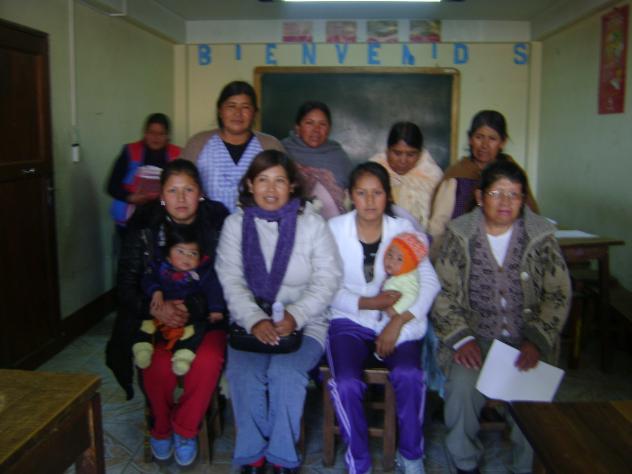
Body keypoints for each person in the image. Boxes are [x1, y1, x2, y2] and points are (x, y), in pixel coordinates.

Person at [430, 160, 571, 474]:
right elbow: (443, 292)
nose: (506, 202)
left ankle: (526, 466)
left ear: (523, 200)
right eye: (496, 193)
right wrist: (462, 339)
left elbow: (558, 294)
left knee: (534, 403)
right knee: (461, 389)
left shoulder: (540, 236)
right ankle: (465, 461)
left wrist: (536, 340)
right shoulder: (460, 233)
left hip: (526, 338)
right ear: (480, 196)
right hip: (474, 336)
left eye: (514, 194)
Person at [215, 150, 342, 473]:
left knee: (284, 374)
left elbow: (328, 279)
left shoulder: (312, 224)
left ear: (292, 186)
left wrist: (296, 315)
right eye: (263, 180)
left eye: (279, 181)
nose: (271, 189)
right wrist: (255, 319)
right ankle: (252, 454)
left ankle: (282, 456)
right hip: (249, 324)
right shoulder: (234, 225)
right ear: (250, 184)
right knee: (244, 374)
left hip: (306, 322)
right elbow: (230, 280)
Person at [105, 159, 229, 467]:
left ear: (201, 193)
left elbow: (231, 280)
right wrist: (156, 308)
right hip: (154, 317)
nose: (181, 198)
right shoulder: (145, 223)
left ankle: (185, 429)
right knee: (156, 364)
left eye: (189, 190)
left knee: (207, 361)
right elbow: (126, 283)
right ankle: (160, 427)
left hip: (205, 317)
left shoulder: (217, 221)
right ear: (162, 196)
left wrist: (193, 307)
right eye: (173, 191)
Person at [326, 162, 441, 474]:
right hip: (348, 321)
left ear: (388, 196)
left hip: (396, 323)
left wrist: (398, 320)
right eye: (361, 193)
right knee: (347, 383)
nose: (369, 201)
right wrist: (368, 302)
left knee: (410, 375)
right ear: (350, 195)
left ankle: (411, 454)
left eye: (377, 193)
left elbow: (430, 283)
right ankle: (359, 460)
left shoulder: (402, 230)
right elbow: (326, 287)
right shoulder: (334, 229)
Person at [428, 110, 539, 248]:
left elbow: (531, 219)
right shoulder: (457, 176)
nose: (484, 145)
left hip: (510, 248)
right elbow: (438, 224)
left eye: (492, 139)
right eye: (479, 137)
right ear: (470, 139)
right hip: (461, 248)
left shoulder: (514, 176)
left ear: (502, 142)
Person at [132, 223, 225, 376]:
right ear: (168, 256)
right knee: (145, 325)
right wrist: (156, 291)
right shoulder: (160, 267)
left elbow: (213, 288)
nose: (186, 257)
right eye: (180, 251)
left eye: (193, 253)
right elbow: (147, 279)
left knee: (197, 329)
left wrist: (216, 309)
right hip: (159, 313)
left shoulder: (201, 272)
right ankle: (143, 348)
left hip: (189, 316)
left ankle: (183, 355)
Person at [181, 80, 284, 213]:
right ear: (220, 110)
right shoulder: (198, 143)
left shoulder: (270, 145)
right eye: (231, 106)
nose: (238, 113)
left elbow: (285, 190)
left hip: (259, 223)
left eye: (245, 107)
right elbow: (179, 186)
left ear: (254, 113)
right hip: (207, 224)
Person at [107, 113, 181, 235]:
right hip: (130, 219)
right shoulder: (130, 151)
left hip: (164, 217)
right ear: (145, 133)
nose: (156, 138)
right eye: (152, 133)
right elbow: (111, 186)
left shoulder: (177, 154)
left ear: (167, 136)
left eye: (161, 134)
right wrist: (131, 197)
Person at [282, 100, 353, 219]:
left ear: (329, 129)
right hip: (291, 223)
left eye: (322, 124)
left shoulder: (338, 155)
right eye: (309, 123)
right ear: (297, 127)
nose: (316, 129)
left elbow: (353, 191)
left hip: (335, 225)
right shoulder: (283, 151)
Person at [370, 121, 443, 230]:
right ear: (387, 151)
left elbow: (438, 222)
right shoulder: (372, 172)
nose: (403, 161)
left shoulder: (432, 176)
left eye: (411, 154)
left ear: (420, 154)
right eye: (397, 153)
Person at [382, 232, 429, 320]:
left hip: (403, 319)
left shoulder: (408, 278)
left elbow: (411, 296)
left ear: (409, 264)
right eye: (389, 254)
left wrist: (395, 309)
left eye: (399, 259)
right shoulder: (399, 273)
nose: (391, 261)